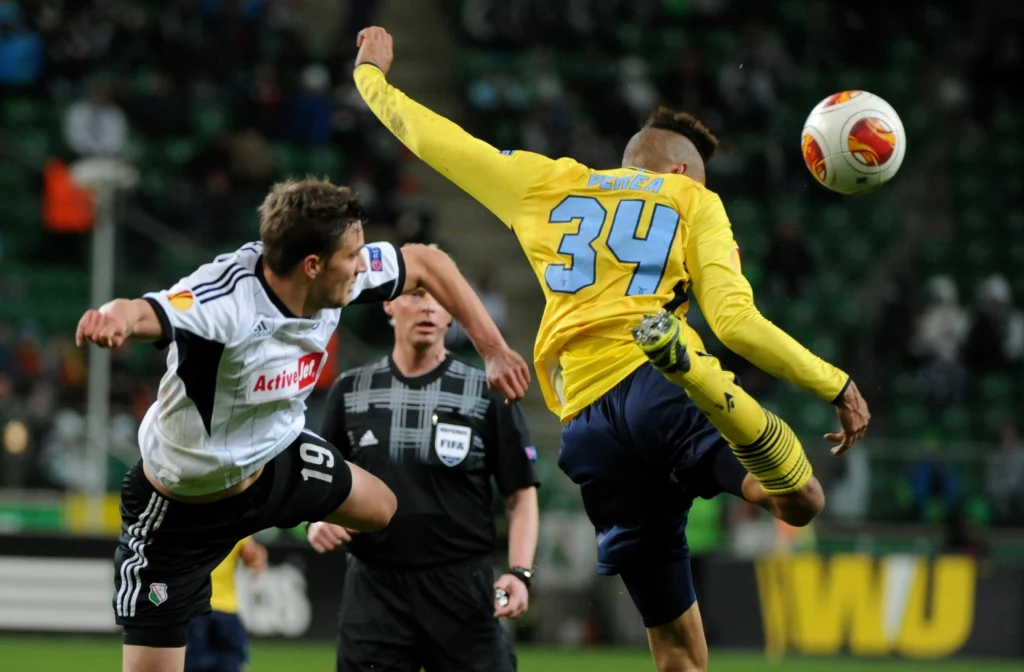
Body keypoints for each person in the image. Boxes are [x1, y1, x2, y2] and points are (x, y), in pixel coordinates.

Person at [350, 28, 870, 672]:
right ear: (682, 172)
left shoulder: (546, 183)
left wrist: (370, 76)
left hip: (588, 428)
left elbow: (436, 140)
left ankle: (690, 376)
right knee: (802, 500)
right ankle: (700, 379)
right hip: (662, 386)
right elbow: (735, 323)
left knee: (678, 651)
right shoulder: (692, 200)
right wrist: (834, 383)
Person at [75, 177, 530, 672]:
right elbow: (146, 311)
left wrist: (493, 349)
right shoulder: (226, 301)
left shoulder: (341, 274)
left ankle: (397, 619)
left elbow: (426, 261)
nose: (363, 265)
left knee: (382, 508)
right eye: (353, 255)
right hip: (182, 509)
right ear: (312, 266)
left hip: (274, 464)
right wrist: (113, 318)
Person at [308, 268, 540, 672]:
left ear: (453, 313)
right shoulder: (350, 390)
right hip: (374, 587)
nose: (429, 306)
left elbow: (520, 494)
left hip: (462, 589)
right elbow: (320, 482)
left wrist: (520, 573)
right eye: (416, 294)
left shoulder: (487, 391)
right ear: (389, 303)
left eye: (439, 298)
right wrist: (316, 520)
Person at [185, 537, 267, 672]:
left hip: (197, 609)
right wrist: (256, 558)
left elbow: (252, 553)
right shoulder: (235, 517)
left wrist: (256, 556)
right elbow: (252, 555)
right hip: (221, 610)